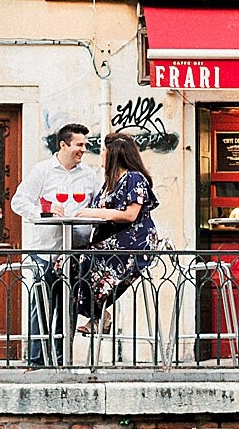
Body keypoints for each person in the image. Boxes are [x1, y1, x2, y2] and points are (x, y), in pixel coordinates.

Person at [11, 124, 102, 366]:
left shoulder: (89, 175)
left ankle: (63, 361)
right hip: (46, 251)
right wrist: (43, 212)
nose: (83, 149)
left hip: (76, 252)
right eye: (79, 145)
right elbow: (18, 202)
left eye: (85, 145)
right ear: (63, 145)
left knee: (68, 309)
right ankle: (36, 361)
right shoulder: (42, 171)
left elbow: (98, 206)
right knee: (41, 305)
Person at [72, 133, 162, 338]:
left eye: (103, 151)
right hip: (111, 238)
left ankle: (97, 316)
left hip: (134, 240)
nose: (100, 155)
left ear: (114, 154)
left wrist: (92, 212)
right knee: (68, 261)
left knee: (86, 258)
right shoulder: (109, 182)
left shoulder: (134, 178)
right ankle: (97, 315)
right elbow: (97, 209)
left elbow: (130, 215)